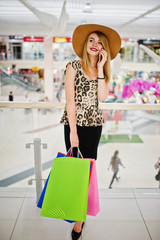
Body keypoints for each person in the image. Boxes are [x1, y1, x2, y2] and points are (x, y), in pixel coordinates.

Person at [60, 24, 121, 240]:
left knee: (86, 176)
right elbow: (70, 102)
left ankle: (79, 221)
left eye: (100, 42)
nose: (95, 45)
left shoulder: (102, 70)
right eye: (92, 40)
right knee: (76, 173)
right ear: (85, 44)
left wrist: (103, 66)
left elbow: (103, 97)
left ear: (103, 48)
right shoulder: (73, 66)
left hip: (94, 126)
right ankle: (77, 216)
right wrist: (73, 133)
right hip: (74, 125)